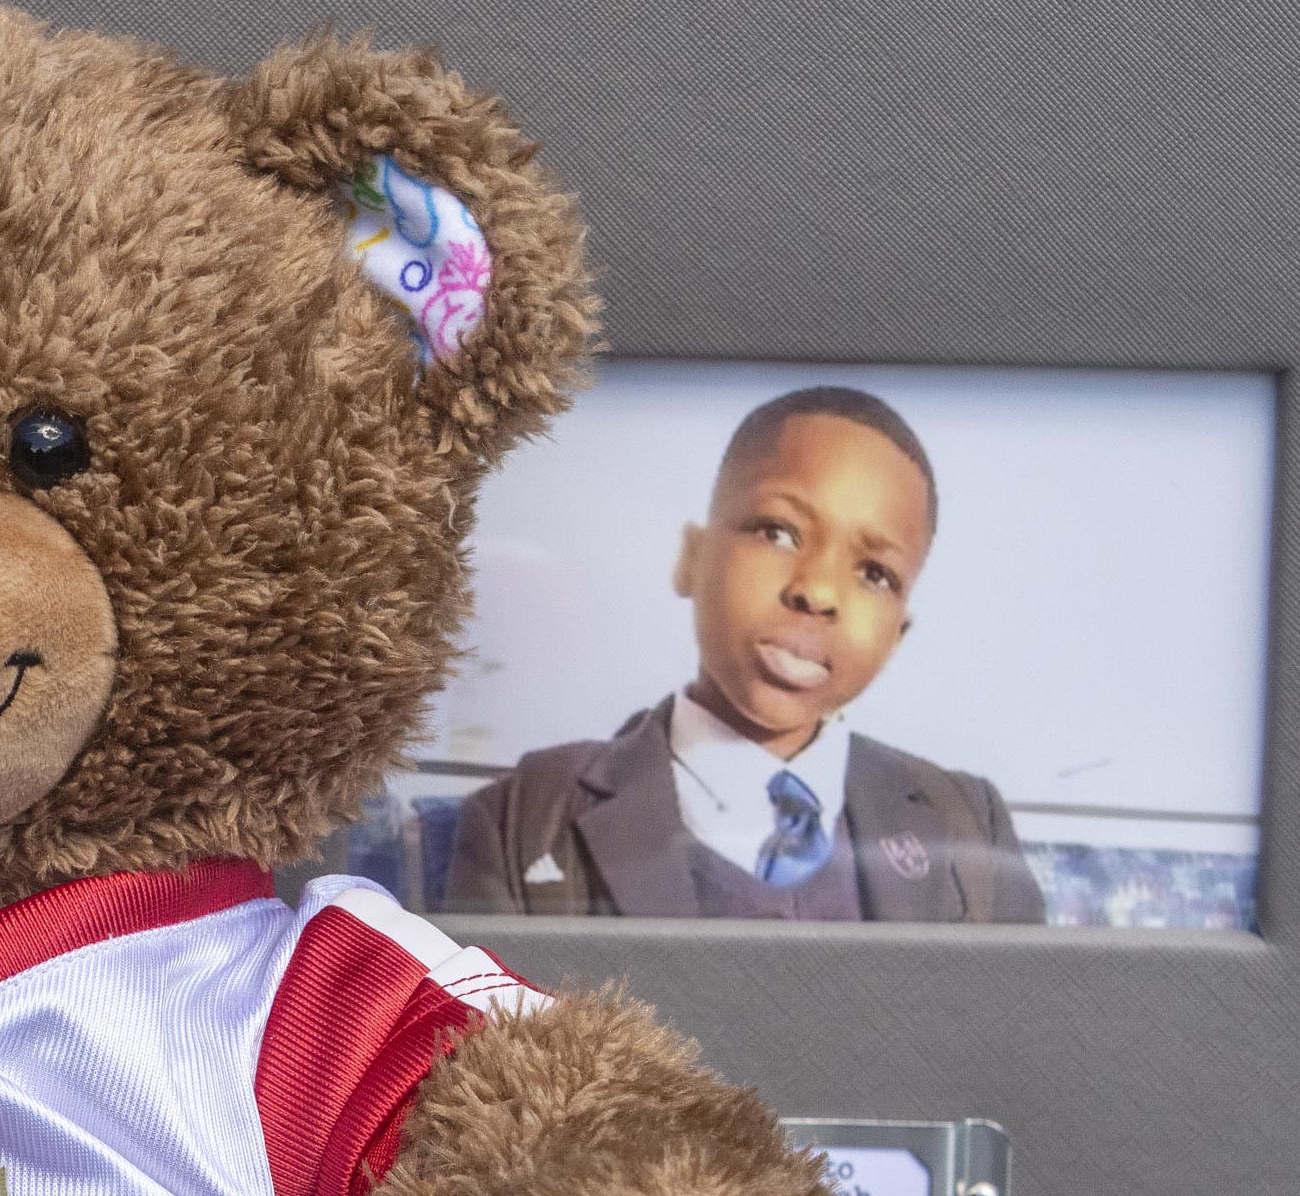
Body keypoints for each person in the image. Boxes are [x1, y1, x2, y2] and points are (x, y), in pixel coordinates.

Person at [444, 384, 1045, 922]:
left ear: (897, 636)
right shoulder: (526, 818)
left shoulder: (969, 829)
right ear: (692, 559)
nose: (818, 592)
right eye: (776, 532)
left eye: (875, 573)